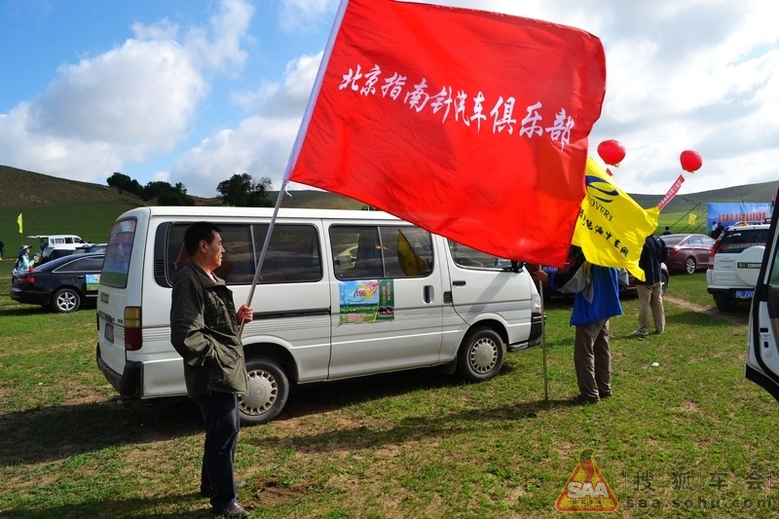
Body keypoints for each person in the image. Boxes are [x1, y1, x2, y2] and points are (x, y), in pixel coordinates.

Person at [170, 222, 253, 518]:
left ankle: (216, 483)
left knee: (224, 432)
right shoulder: (188, 281)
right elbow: (186, 335)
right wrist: (220, 359)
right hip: (213, 376)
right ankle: (224, 501)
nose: (223, 249)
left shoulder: (208, 276)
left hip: (223, 371)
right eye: (220, 243)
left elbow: (212, 323)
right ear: (203, 245)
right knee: (223, 433)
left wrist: (236, 316)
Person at [531, 247, 623, 404]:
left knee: (584, 352)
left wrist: (549, 278)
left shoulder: (588, 255)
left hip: (591, 310)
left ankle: (589, 393)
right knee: (602, 349)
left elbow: (573, 280)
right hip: (606, 307)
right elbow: (622, 278)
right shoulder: (610, 251)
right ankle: (604, 387)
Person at [633, 234, 669, 337]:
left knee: (645, 303)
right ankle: (660, 327)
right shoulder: (658, 240)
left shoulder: (640, 240)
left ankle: (643, 329)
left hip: (644, 277)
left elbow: (635, 256)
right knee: (657, 302)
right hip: (657, 276)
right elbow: (666, 254)